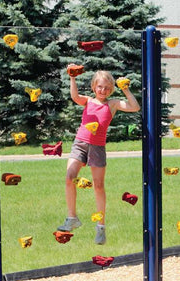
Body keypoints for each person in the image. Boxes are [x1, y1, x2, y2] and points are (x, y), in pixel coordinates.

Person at [57, 66, 140, 245]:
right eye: (100, 87)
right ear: (94, 87)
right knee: (70, 178)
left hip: (97, 148)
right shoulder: (88, 101)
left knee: (98, 186)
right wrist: (72, 78)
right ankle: (72, 218)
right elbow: (74, 97)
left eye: (107, 88)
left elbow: (134, 107)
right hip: (80, 143)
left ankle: (101, 227)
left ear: (111, 89)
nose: (103, 91)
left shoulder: (112, 104)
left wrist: (125, 88)